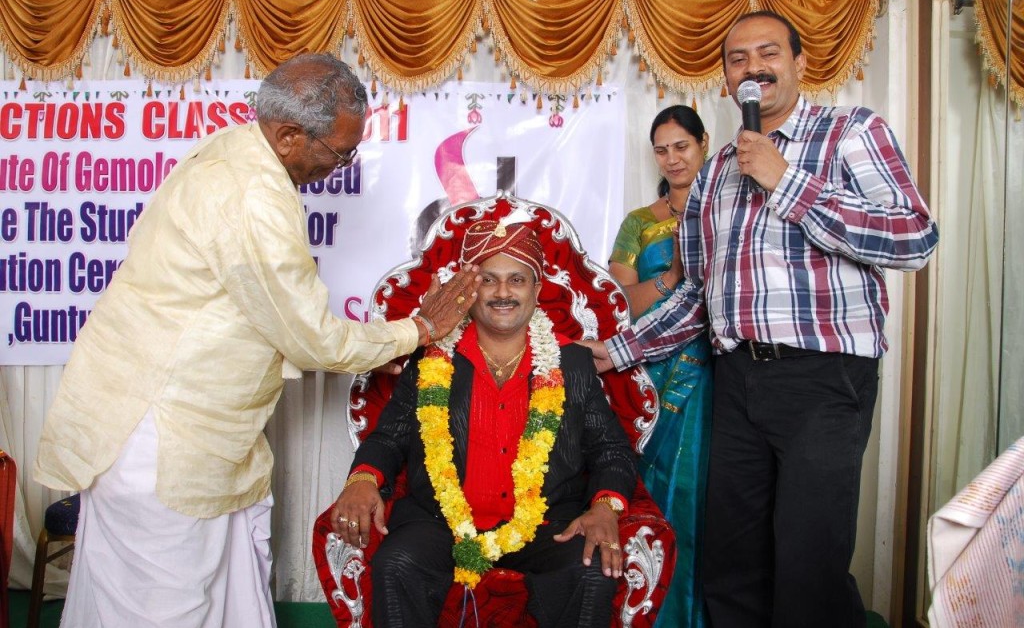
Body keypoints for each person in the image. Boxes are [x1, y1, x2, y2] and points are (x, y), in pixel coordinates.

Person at [33, 53, 479, 628]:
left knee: (227, 594)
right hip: (163, 435)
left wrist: (384, 348)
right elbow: (311, 338)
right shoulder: (252, 195)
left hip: (200, 430)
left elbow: (269, 319)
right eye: (341, 152)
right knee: (162, 606)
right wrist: (418, 330)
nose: (341, 166)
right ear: (290, 135)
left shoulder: (238, 152)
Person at [586, 10, 939, 628]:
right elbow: (698, 295)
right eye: (738, 58)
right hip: (737, 379)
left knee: (808, 564)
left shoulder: (851, 132)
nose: (754, 68)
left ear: (800, 63)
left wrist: (787, 182)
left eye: (769, 53)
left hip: (823, 377)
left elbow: (913, 238)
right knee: (732, 562)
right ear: (726, 79)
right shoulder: (716, 173)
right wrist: (616, 350)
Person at [330, 217, 638, 628]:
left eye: (517, 280)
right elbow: (389, 437)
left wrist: (605, 506)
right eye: (488, 280)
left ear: (537, 290)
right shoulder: (431, 360)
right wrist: (363, 478)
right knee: (397, 564)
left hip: (545, 523)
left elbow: (611, 450)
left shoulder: (572, 363)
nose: (503, 292)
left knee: (589, 570)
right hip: (440, 521)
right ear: (469, 291)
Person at [607, 104, 713, 628]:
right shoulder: (640, 223)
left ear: (704, 144)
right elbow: (619, 301)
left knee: (702, 490)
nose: (673, 159)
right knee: (648, 485)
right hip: (646, 371)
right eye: (662, 150)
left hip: (711, 375)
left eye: (682, 147)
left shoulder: (727, 212)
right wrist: (672, 276)